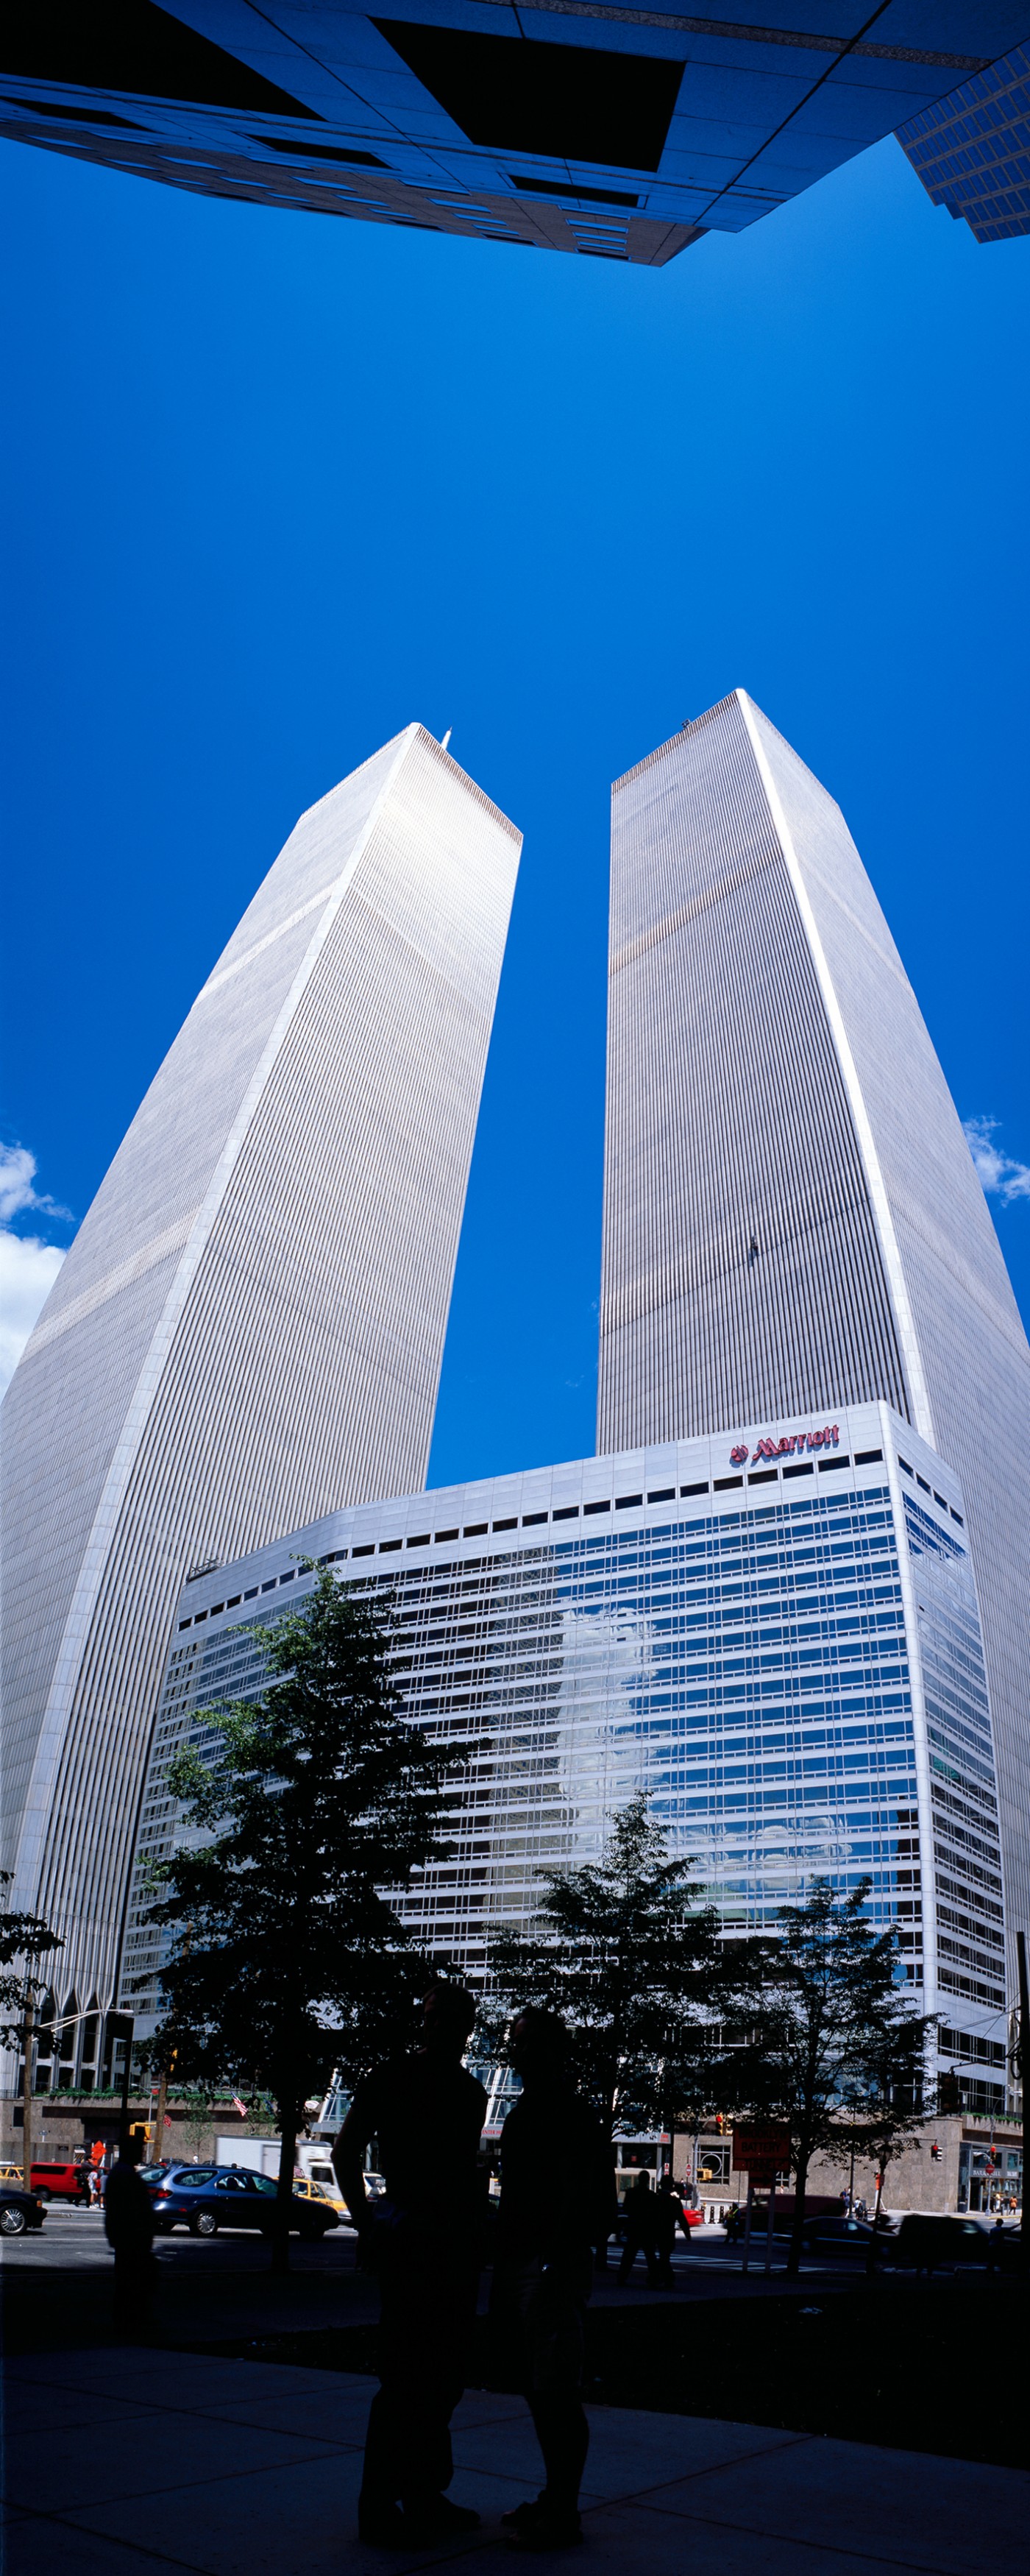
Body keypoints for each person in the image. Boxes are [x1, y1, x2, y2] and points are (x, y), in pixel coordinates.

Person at [334, 1980, 486, 2547]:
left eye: (450, 2017)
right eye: (430, 2016)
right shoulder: (393, 2077)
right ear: (422, 2023)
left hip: (452, 2243)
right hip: (412, 2238)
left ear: (468, 2026)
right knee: (403, 2378)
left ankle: (424, 2492)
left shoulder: (472, 2092)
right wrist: (367, 2221)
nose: (438, 2025)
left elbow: (462, 2171)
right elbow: (345, 2151)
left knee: (443, 2377)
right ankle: (378, 2503)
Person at [491, 2008, 615, 2551]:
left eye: (522, 2043)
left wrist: (551, 2261)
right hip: (529, 2263)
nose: (513, 2053)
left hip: (549, 2267)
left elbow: (581, 2197)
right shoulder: (533, 2110)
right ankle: (555, 2496)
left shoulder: (564, 2113)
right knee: (541, 2391)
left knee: (557, 2393)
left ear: (547, 2050)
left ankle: (563, 2511)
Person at [103, 2131, 157, 2338]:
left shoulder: (122, 2173)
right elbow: (130, 2210)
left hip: (128, 2237)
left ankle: (128, 2319)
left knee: (128, 2282)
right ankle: (129, 2321)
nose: (141, 2152)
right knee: (131, 2283)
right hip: (131, 2238)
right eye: (139, 2148)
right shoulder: (125, 2175)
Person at [617, 2170, 661, 2286]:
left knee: (628, 2256)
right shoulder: (652, 2196)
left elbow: (626, 2209)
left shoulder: (631, 2193)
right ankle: (654, 2278)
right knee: (650, 2256)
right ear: (647, 2180)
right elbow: (655, 2215)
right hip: (647, 2229)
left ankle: (622, 2277)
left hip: (634, 2226)